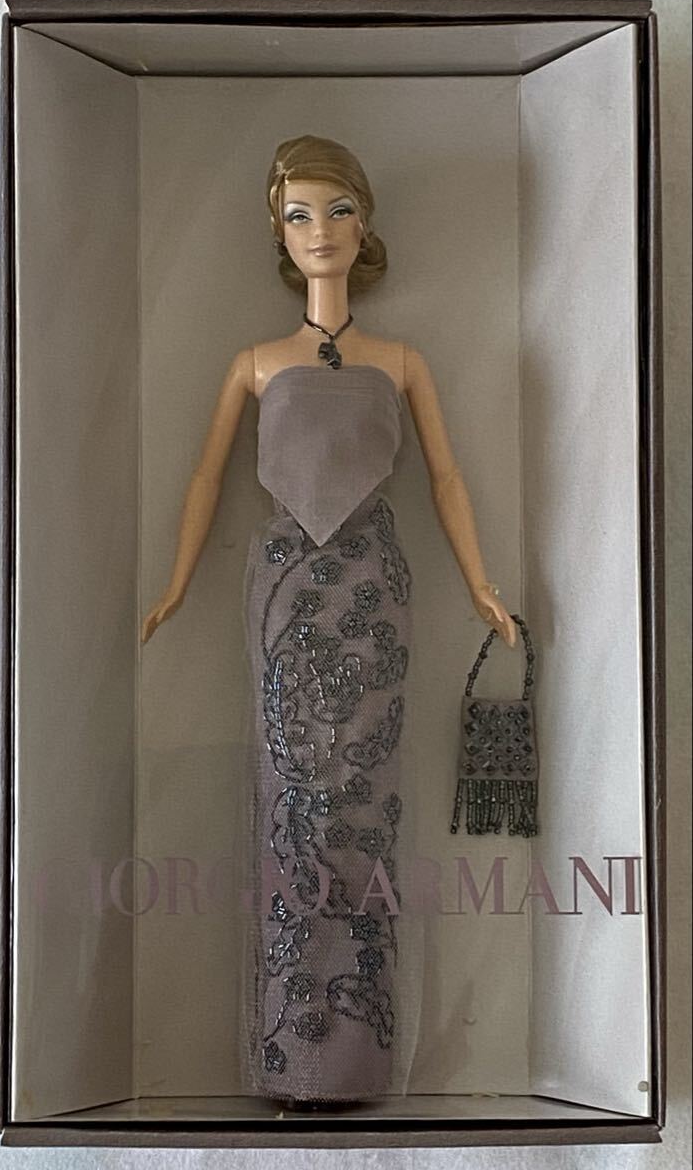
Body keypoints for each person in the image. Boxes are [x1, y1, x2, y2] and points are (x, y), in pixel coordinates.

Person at [142, 134, 515, 1107]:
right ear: (278, 230)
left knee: (362, 802)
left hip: (371, 592)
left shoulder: (401, 361)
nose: (320, 231)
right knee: (290, 798)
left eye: (338, 210)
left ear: (366, 221)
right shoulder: (255, 364)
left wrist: (481, 584)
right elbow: (204, 478)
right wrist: (176, 583)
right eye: (299, 214)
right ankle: (289, 1053)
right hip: (284, 593)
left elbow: (446, 477)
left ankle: (356, 1056)